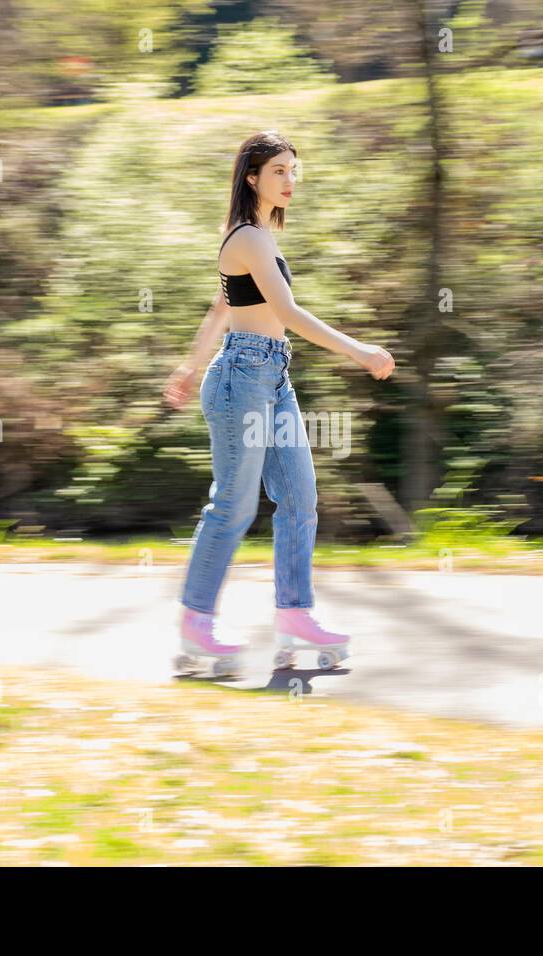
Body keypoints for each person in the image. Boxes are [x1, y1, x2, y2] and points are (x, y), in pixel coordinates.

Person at [163, 130, 394, 674]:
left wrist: (188, 364)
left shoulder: (258, 236)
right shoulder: (248, 238)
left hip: (272, 378)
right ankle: (195, 622)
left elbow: (220, 309)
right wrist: (358, 350)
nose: (291, 181)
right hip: (241, 378)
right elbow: (285, 312)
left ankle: (294, 614)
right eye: (278, 171)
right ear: (252, 178)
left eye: (294, 169)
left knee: (299, 499)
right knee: (235, 505)